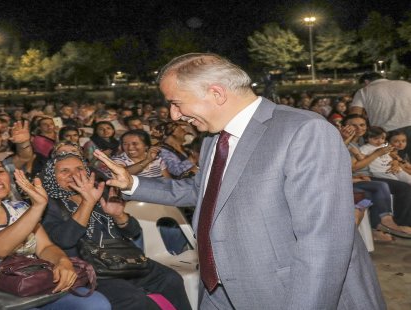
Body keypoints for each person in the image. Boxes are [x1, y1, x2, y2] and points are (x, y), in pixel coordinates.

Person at [94, 53, 385, 309]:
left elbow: (324, 241)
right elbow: (203, 192)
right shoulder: (213, 137)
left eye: (176, 103)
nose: (174, 115)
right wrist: (133, 184)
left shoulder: (304, 131)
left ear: (217, 93)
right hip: (220, 289)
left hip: (284, 293)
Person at [0, 154, 110, 309]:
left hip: (30, 284)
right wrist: (37, 207)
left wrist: (63, 262)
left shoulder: (19, 208)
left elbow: (45, 247)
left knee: (95, 304)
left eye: (0, 172)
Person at [40, 153, 190, 309]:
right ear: (52, 176)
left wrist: (119, 216)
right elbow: (64, 240)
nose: (74, 175)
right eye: (64, 171)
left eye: (79, 168)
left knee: (171, 279)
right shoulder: (49, 205)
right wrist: (87, 203)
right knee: (133, 299)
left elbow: (133, 232)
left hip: (123, 261)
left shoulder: (102, 193)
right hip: (91, 270)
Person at [349, 72, 411, 157]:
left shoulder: (364, 91)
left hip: (387, 132)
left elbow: (355, 114)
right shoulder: (406, 85)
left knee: (394, 163)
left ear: (366, 81)